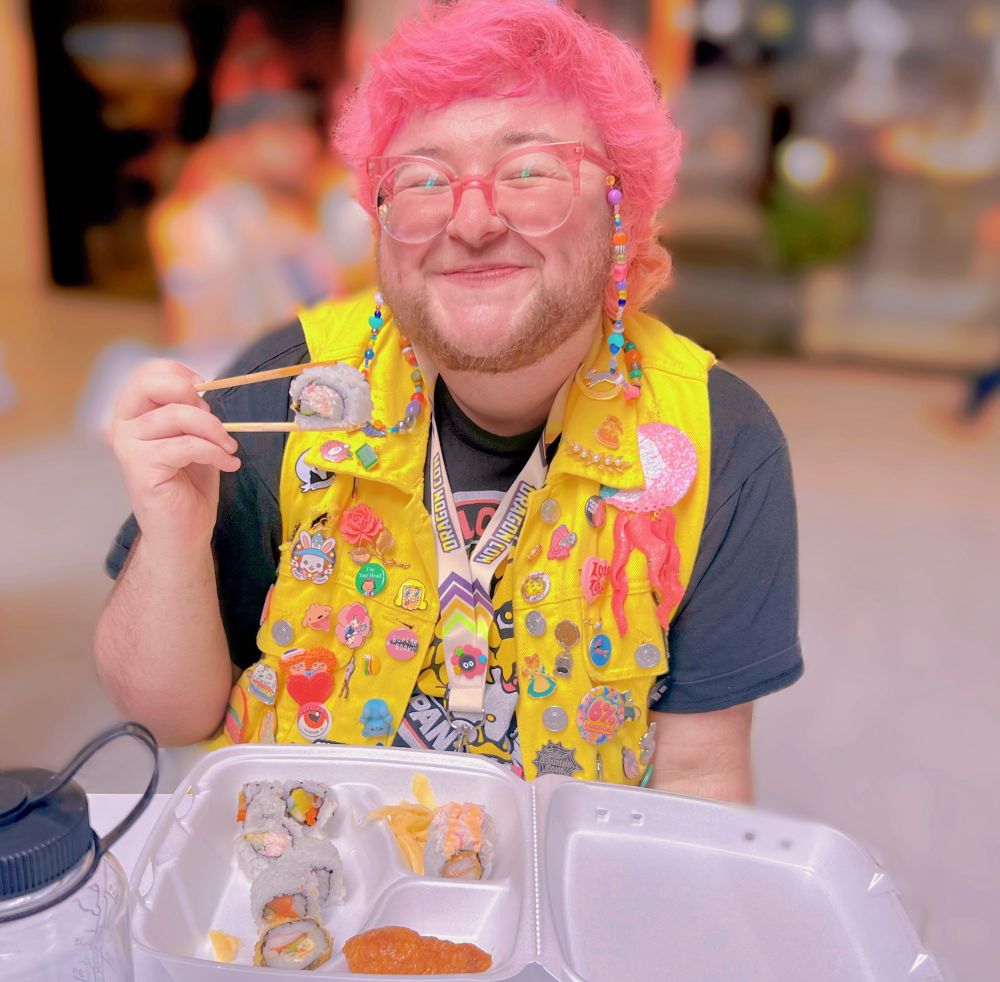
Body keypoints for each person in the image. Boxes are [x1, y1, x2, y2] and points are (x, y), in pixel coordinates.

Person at [96, 0, 802, 803]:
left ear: (622, 209)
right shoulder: (289, 390)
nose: (470, 222)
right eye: (424, 179)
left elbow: (700, 774)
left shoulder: (718, 440)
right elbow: (166, 718)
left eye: (529, 170)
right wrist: (173, 540)